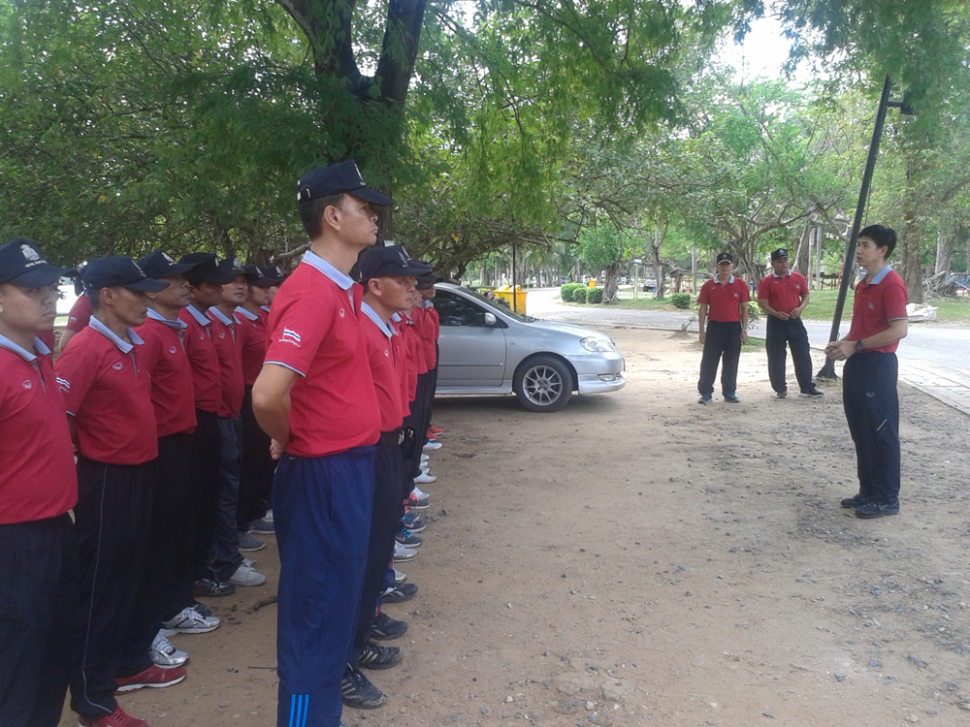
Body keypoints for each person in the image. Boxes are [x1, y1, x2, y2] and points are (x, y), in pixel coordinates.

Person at [252, 159, 386, 727]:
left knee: (333, 616)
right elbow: (267, 394)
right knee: (315, 621)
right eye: (364, 208)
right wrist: (290, 437)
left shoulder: (340, 289)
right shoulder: (310, 292)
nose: (374, 217)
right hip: (324, 475)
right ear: (332, 216)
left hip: (345, 470)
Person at [56, 256, 183, 727]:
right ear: (107, 295)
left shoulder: (130, 343)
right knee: (102, 589)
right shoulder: (85, 349)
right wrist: (91, 447)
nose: (148, 298)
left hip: (139, 473)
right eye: (138, 291)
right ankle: (93, 699)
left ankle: (127, 662)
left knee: (133, 578)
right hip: (108, 480)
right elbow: (59, 415)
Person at [344, 245, 430, 709]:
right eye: (404, 279)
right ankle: (342, 660)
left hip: (388, 447)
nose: (413, 287)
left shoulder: (385, 326)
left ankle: (359, 639)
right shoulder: (359, 330)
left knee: (377, 552)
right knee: (357, 559)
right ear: (374, 285)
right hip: (367, 450)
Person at [0, 238, 78, 727]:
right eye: (32, 290)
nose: (49, 297)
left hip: (55, 526)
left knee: (53, 650)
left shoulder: (38, 353)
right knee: (20, 661)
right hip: (15, 539)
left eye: (51, 286)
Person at [131, 251, 220, 673]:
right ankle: (159, 615)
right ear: (151, 290)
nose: (186, 284)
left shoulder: (172, 328)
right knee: (162, 535)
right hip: (161, 448)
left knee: (181, 527)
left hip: (184, 439)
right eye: (174, 279)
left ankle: (175, 602)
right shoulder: (147, 334)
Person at [825, 225, 908, 519]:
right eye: (858, 244)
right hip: (859, 362)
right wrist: (845, 343)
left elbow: (899, 330)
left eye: (865, 245)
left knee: (881, 430)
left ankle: (886, 498)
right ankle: (869, 491)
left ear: (882, 250)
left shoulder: (891, 284)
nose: (858, 250)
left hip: (878, 365)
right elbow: (863, 328)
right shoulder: (864, 283)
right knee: (861, 429)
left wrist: (856, 345)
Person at [177, 253, 238, 597]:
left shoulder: (204, 322)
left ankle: (202, 569)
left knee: (211, 497)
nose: (219, 289)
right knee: (196, 502)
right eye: (212, 284)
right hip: (196, 422)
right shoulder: (185, 323)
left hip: (215, 417)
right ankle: (192, 575)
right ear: (193, 287)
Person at [207, 258, 267, 584]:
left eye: (245, 281)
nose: (241, 286)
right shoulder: (203, 324)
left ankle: (226, 554)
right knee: (224, 488)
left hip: (232, 414)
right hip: (215, 418)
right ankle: (222, 558)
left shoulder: (233, 323)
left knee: (232, 482)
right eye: (233, 280)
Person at [757, 248, 824, 399]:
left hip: (794, 320)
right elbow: (761, 302)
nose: (783, 264)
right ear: (773, 263)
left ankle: (806, 387)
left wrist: (800, 308)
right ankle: (780, 388)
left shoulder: (798, 278)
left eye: (785, 260)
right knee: (776, 355)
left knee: (802, 352)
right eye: (779, 261)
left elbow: (805, 295)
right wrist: (775, 313)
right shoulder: (767, 281)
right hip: (776, 321)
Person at [697, 252, 749, 404]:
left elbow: (744, 308)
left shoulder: (740, 284)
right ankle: (706, 392)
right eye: (722, 264)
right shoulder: (708, 285)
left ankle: (729, 392)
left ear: (732, 266)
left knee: (731, 361)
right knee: (709, 360)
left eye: (727, 264)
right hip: (715, 327)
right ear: (716, 266)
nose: (725, 267)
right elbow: (703, 308)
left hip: (733, 327)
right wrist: (701, 330)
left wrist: (744, 329)